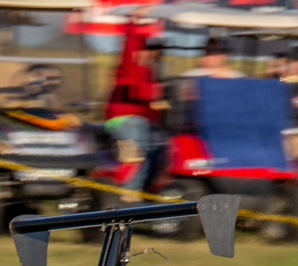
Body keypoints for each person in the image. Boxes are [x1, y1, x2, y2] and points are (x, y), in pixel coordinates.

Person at [103, 25, 166, 194]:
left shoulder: (147, 71)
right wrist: (134, 20)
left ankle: (146, 193)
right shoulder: (131, 68)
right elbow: (129, 44)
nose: (148, 53)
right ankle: (128, 196)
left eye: (152, 50)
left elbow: (150, 104)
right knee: (135, 156)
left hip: (140, 121)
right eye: (145, 49)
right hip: (126, 119)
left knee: (158, 149)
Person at [180, 37, 244, 79]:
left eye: (216, 51)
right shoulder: (190, 77)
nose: (211, 55)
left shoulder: (237, 77)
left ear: (224, 56)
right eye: (208, 51)